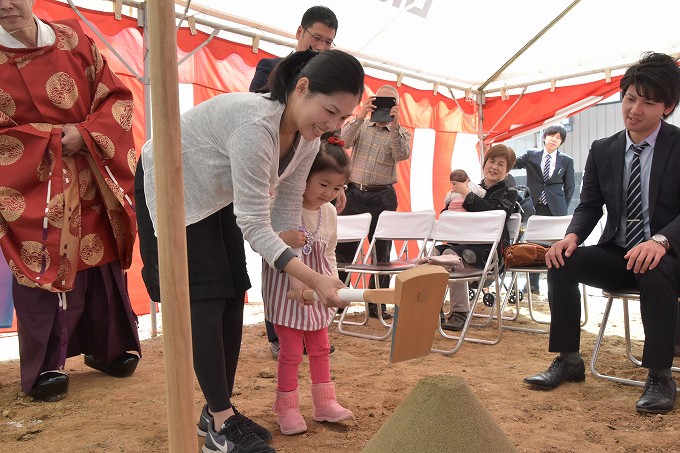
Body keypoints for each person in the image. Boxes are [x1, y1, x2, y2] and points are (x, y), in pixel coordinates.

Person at [136, 49, 364, 453]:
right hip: (172, 183)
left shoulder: (308, 140)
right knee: (205, 297)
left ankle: (215, 411)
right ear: (303, 88)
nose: (332, 124)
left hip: (217, 194)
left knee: (233, 292)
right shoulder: (256, 125)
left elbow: (286, 210)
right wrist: (313, 278)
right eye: (329, 111)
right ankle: (221, 425)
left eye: (343, 118)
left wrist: (299, 278)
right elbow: (256, 223)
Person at [523, 52, 680, 415]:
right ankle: (569, 359)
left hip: (669, 256)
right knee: (561, 261)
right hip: (620, 252)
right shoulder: (603, 149)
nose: (635, 109)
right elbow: (590, 205)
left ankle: (659, 375)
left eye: (648, 102)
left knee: (654, 269)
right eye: (629, 98)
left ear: (667, 106)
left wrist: (661, 241)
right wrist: (572, 236)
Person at [0, 0, 141, 402]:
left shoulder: (74, 39)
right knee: (40, 264)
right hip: (32, 187)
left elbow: (116, 98)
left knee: (102, 262)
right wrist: (52, 143)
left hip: (90, 172)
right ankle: (46, 366)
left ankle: (109, 349)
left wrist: (88, 133)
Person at [249, 5, 342, 360]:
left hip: (308, 178)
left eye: (328, 42)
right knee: (279, 247)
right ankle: (279, 333)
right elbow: (260, 119)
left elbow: (327, 140)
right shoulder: (271, 70)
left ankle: (313, 326)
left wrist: (334, 186)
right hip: (273, 178)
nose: (320, 46)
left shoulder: (331, 87)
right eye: (316, 37)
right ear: (299, 32)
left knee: (314, 248)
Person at [263, 136, 353, 435]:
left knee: (321, 347)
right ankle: (286, 408)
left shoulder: (329, 212)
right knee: (290, 350)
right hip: (286, 291)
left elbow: (328, 250)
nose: (328, 193)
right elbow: (262, 242)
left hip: (319, 289)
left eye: (337, 188)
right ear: (303, 176)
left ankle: (324, 403)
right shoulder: (282, 206)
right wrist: (283, 239)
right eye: (323, 184)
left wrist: (334, 281)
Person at [336, 85, 412, 320]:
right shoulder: (362, 125)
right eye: (381, 101)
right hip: (354, 193)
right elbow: (342, 142)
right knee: (344, 249)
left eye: (391, 103)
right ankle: (339, 301)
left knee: (382, 252)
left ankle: (377, 305)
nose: (385, 107)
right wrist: (359, 116)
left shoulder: (401, 131)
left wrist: (395, 126)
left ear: (397, 106)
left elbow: (401, 155)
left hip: (383, 196)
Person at [439, 145, 518, 331]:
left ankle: (460, 312)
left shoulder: (509, 193)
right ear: (484, 164)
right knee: (434, 252)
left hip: (489, 254)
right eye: (492, 161)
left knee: (449, 254)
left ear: (506, 172)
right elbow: (446, 214)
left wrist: (466, 193)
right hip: (461, 245)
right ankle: (433, 309)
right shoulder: (472, 187)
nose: (495, 167)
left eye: (501, 164)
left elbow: (491, 212)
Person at [514, 124, 575, 294]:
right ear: (544, 137)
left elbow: (570, 186)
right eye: (552, 135)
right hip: (534, 205)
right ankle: (532, 285)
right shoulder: (531, 154)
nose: (554, 139)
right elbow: (514, 163)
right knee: (533, 244)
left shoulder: (567, 160)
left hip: (556, 208)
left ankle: (556, 284)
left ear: (561, 141)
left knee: (555, 245)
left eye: (558, 138)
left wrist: (562, 206)